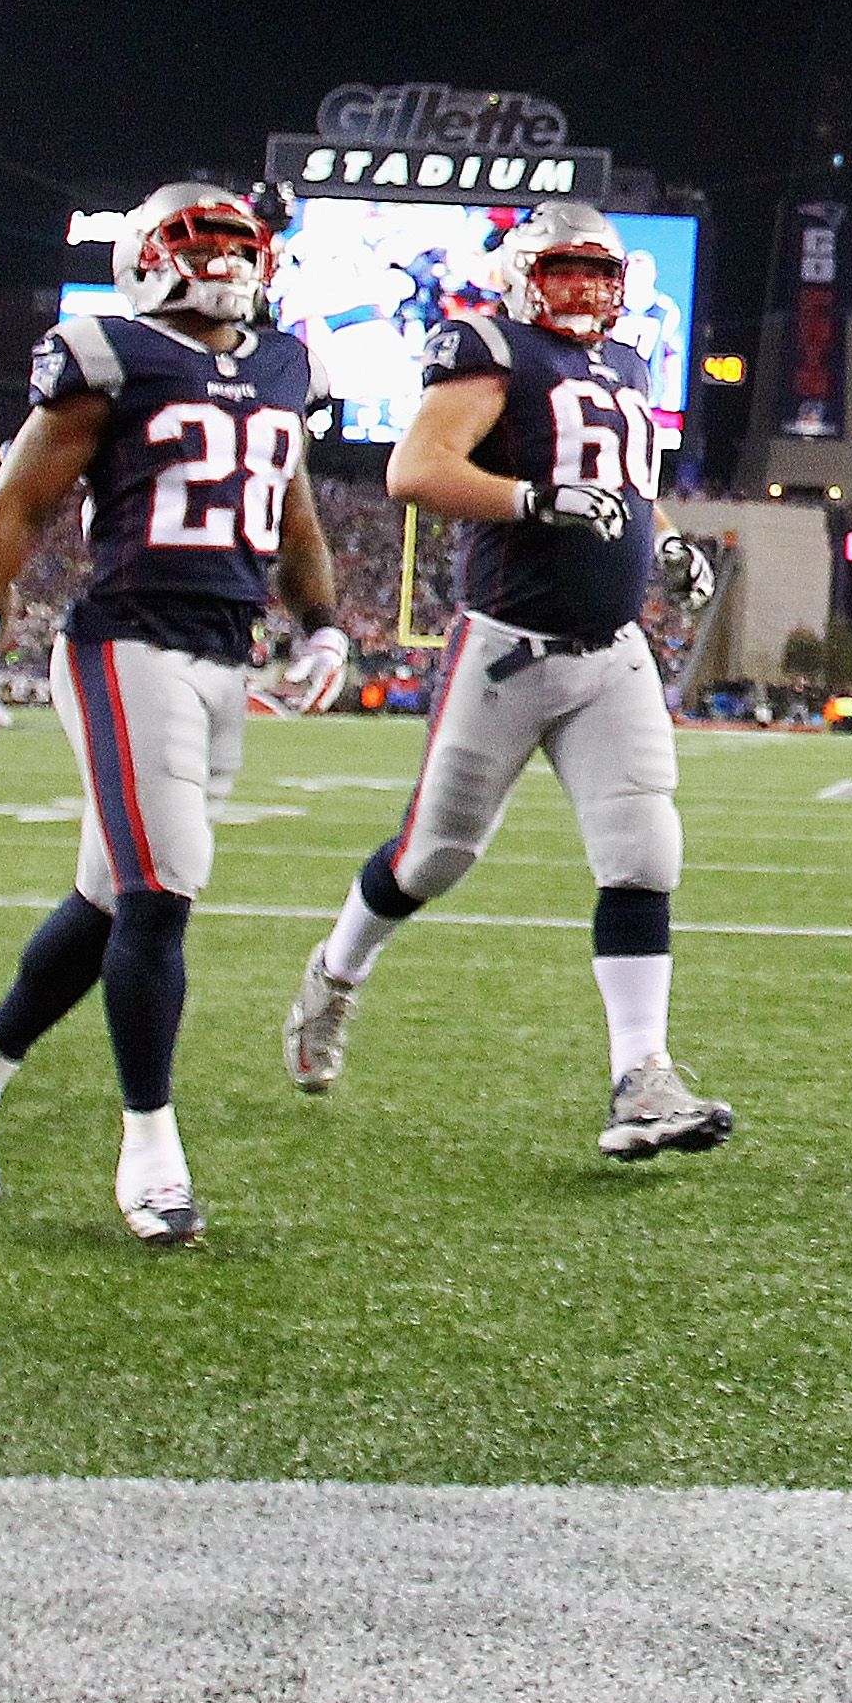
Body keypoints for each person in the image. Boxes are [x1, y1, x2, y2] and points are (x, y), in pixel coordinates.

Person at [0, 184, 346, 1246]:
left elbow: (293, 519)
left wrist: (324, 625)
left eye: (237, 249)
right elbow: (18, 504)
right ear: (147, 259)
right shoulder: (109, 353)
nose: (224, 267)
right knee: (161, 891)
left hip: (223, 656)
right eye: (202, 247)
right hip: (125, 643)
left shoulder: (286, 366)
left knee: (110, 900)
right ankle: (151, 1155)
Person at [280, 200, 733, 1156]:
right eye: (564, 271)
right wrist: (532, 499)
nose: (584, 291)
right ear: (523, 276)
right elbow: (415, 470)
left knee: (644, 853)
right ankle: (336, 973)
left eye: (599, 274)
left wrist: (665, 544)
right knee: (432, 858)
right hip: (508, 649)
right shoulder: (488, 347)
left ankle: (643, 1078)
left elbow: (624, 486)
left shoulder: (629, 363)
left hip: (611, 651)